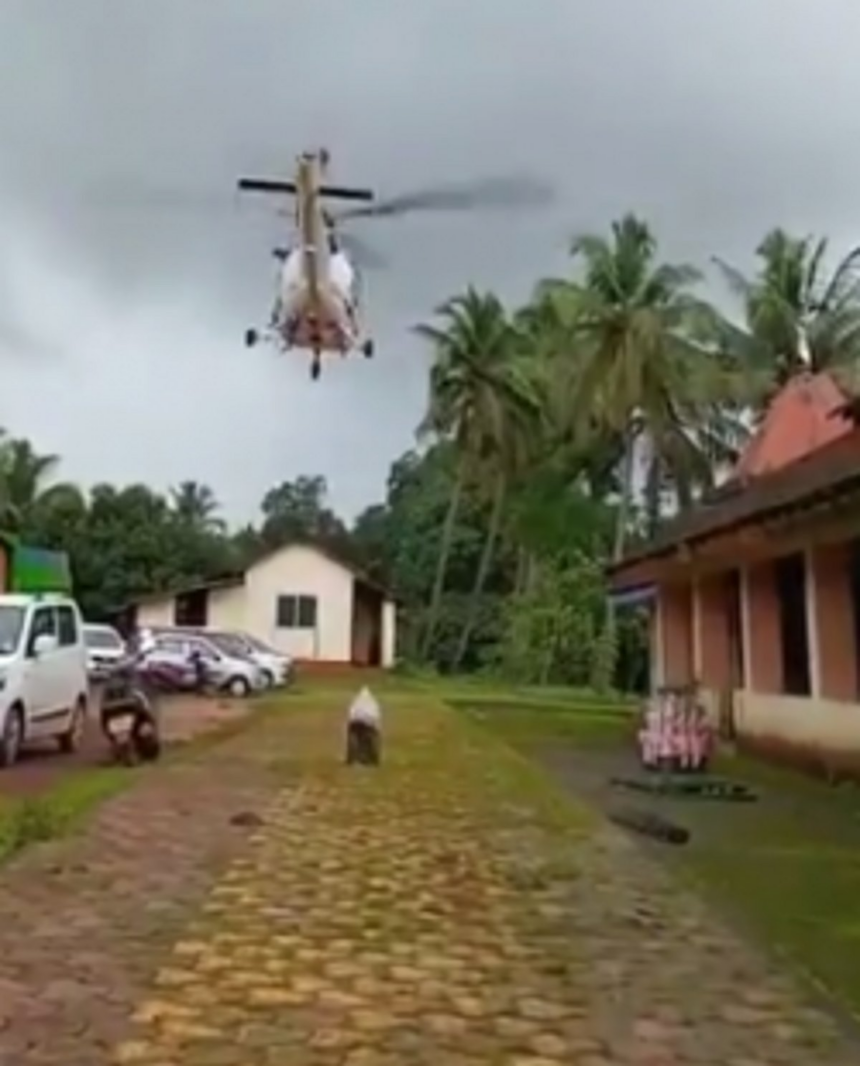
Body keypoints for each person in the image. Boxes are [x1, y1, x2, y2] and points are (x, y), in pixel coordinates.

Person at [346, 686, 381, 766]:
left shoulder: (356, 702)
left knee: (355, 740)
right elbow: (376, 716)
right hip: (368, 724)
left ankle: (352, 759)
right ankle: (372, 759)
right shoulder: (372, 703)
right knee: (370, 741)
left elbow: (351, 714)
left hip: (356, 723)